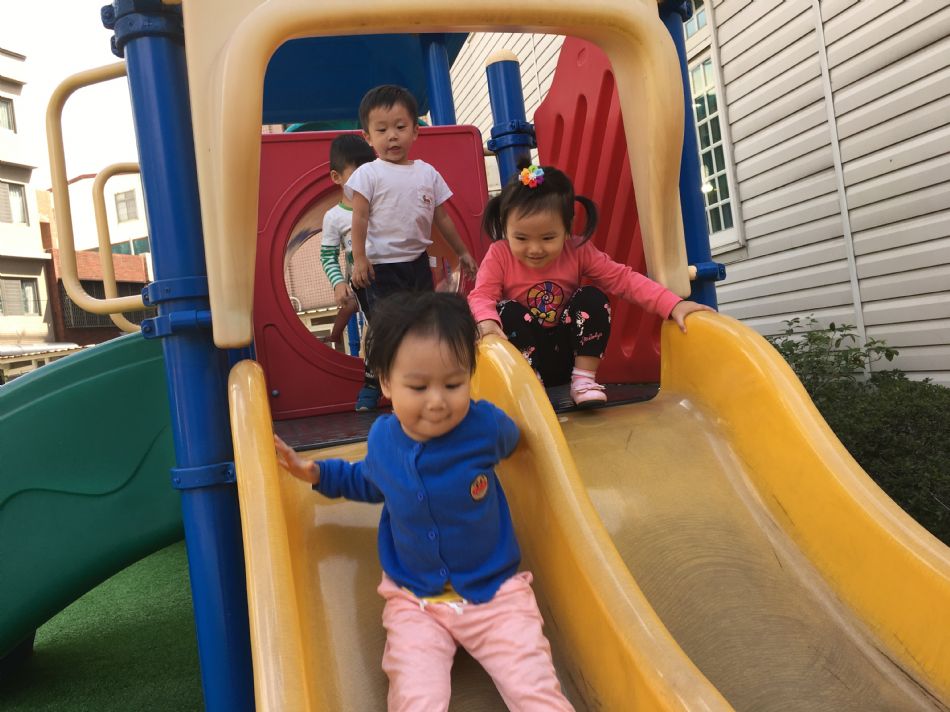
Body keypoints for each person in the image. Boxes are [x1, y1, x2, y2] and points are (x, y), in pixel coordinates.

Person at [274, 292, 573, 712]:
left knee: (534, 688)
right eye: (418, 387)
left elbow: (513, 439)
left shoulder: (484, 427)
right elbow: (370, 481)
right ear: (386, 382)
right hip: (416, 601)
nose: (437, 400)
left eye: (453, 384)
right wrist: (317, 473)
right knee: (416, 697)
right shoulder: (383, 440)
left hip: (495, 595)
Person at [468, 163, 713, 407]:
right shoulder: (499, 255)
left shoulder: (577, 250)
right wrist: (487, 322)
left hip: (568, 354)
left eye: (548, 238)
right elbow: (482, 296)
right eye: (521, 238)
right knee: (504, 311)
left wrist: (673, 304)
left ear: (567, 229)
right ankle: (530, 387)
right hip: (526, 357)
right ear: (506, 228)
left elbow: (623, 279)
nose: (534, 249)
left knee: (592, 297)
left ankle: (584, 381)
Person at [346, 84, 478, 410]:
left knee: (422, 325)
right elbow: (359, 218)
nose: (392, 136)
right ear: (367, 137)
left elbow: (442, 218)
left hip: (417, 263)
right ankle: (375, 384)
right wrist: (359, 259)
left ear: (416, 131)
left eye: (400, 127)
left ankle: (420, 381)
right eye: (382, 130)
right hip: (380, 266)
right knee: (385, 328)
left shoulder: (427, 173)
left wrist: (462, 251)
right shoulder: (368, 174)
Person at [320, 133, 377, 352]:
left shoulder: (381, 204)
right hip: (365, 282)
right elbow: (328, 256)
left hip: (393, 273)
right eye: (357, 174)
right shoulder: (334, 217)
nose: (365, 181)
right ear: (337, 177)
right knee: (381, 327)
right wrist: (338, 283)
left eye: (370, 172)